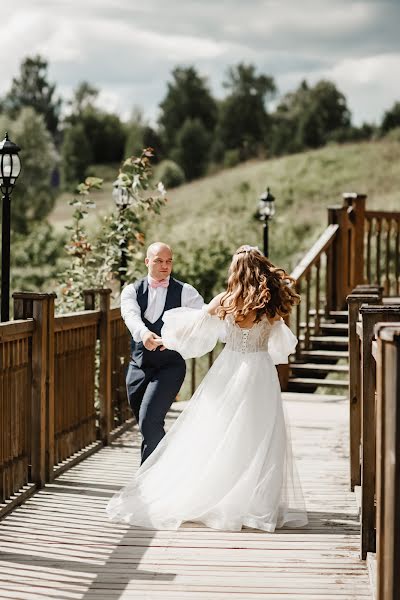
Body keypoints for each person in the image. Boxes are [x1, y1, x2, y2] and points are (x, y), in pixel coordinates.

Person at [107, 245, 308, 532]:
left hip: (231, 368)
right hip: (261, 371)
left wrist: (167, 340)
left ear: (236, 271)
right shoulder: (271, 304)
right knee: (261, 434)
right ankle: (256, 504)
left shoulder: (225, 301)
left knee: (223, 432)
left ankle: (223, 496)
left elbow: (194, 330)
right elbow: (282, 344)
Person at [120, 242, 204, 464]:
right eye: (159, 260)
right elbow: (130, 316)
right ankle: (169, 468)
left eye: (169, 261)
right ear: (148, 261)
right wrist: (144, 333)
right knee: (148, 425)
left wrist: (178, 338)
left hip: (170, 366)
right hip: (138, 366)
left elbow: (202, 321)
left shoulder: (186, 292)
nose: (165, 266)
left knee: (150, 421)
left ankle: (146, 480)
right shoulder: (131, 291)